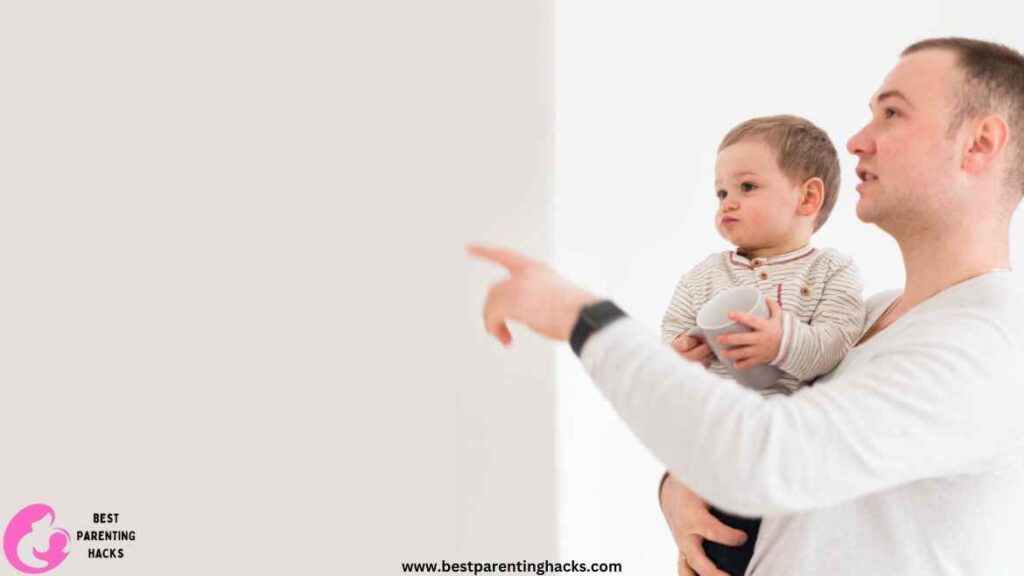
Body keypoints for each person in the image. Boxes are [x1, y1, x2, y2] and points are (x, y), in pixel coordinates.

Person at [469, 37, 1024, 575]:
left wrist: (582, 318)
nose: (857, 140)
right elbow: (783, 449)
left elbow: (765, 457)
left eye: (892, 114)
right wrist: (678, 488)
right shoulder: (875, 317)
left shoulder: (986, 344)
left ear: (979, 143)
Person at [661, 115, 865, 575]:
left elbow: (836, 343)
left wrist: (782, 342)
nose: (727, 203)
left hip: (786, 456)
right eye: (721, 193)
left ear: (807, 198)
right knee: (713, 554)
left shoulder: (832, 271)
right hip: (715, 449)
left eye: (747, 187)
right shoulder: (704, 277)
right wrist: (681, 352)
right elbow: (669, 339)